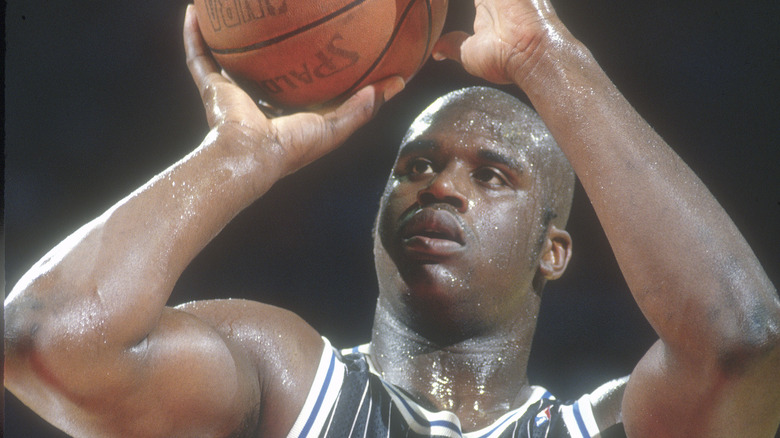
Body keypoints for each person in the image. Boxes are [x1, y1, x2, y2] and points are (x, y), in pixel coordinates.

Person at [5, 0, 779, 437]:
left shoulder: (603, 428)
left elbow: (742, 340)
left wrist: (548, 58)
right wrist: (239, 154)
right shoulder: (285, 383)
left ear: (554, 250)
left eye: (491, 175)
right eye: (415, 166)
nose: (439, 187)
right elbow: (44, 340)